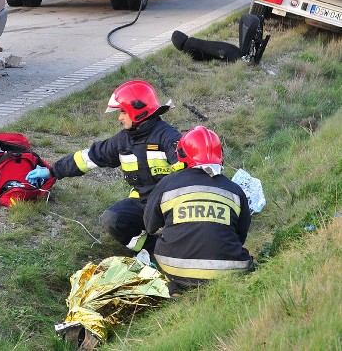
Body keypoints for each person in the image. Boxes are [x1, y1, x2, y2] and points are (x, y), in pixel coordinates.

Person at [26, 80, 183, 254]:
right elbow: (89, 158)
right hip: (144, 203)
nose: (120, 117)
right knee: (112, 219)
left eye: (123, 112)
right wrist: (52, 171)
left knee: (183, 233)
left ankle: (176, 250)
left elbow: (187, 172)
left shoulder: (169, 137)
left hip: (173, 204)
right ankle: (154, 251)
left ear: (137, 111)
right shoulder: (123, 140)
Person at [143, 126, 253, 295]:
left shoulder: (166, 184)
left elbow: (150, 225)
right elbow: (240, 235)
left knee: (156, 252)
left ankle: (175, 287)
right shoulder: (235, 191)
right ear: (220, 157)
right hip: (230, 269)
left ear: (181, 155)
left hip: (174, 267)